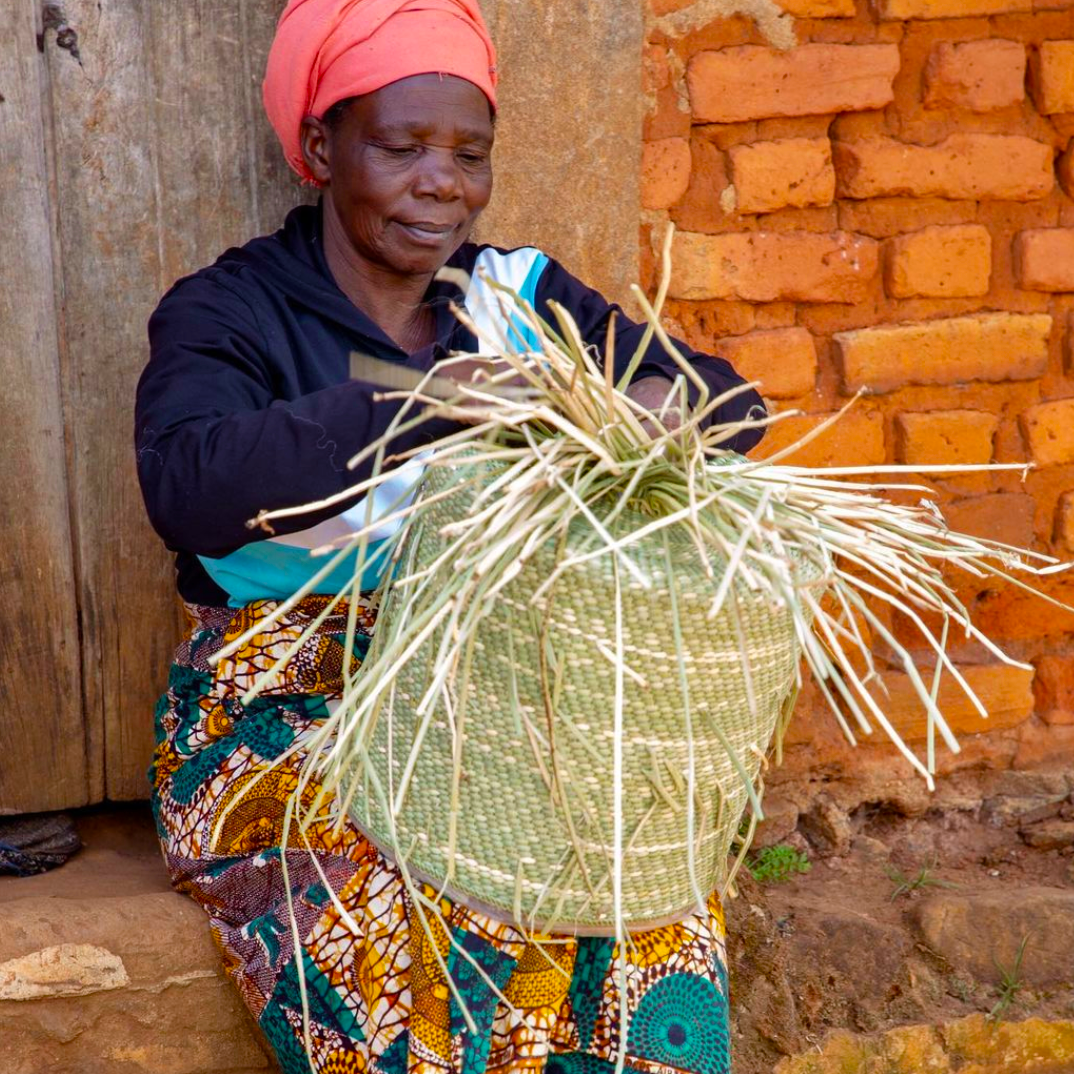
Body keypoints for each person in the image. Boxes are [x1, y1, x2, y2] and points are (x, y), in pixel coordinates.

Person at [136, 2, 765, 1072]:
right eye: (403, 147)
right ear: (323, 147)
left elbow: (730, 403)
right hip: (289, 718)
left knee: (636, 889)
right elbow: (186, 485)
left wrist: (649, 409)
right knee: (436, 908)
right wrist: (420, 405)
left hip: (503, 700)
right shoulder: (227, 313)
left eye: (470, 155)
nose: (444, 183)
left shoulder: (516, 296)